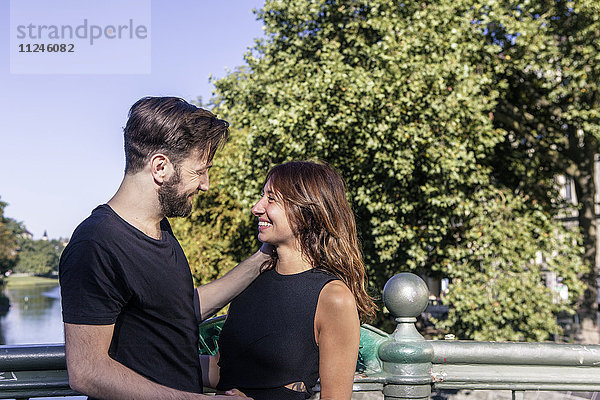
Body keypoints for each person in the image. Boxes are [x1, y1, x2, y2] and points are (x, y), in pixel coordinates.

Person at [59, 96, 270, 400]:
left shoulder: (161, 231)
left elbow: (178, 313)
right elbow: (87, 372)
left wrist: (261, 260)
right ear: (160, 167)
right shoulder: (96, 244)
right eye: (200, 171)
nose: (206, 184)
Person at [201, 161, 378, 400]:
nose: (256, 208)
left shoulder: (333, 297)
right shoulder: (249, 282)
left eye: (271, 199)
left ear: (306, 211)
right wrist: (145, 360)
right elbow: (223, 370)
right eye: (262, 196)